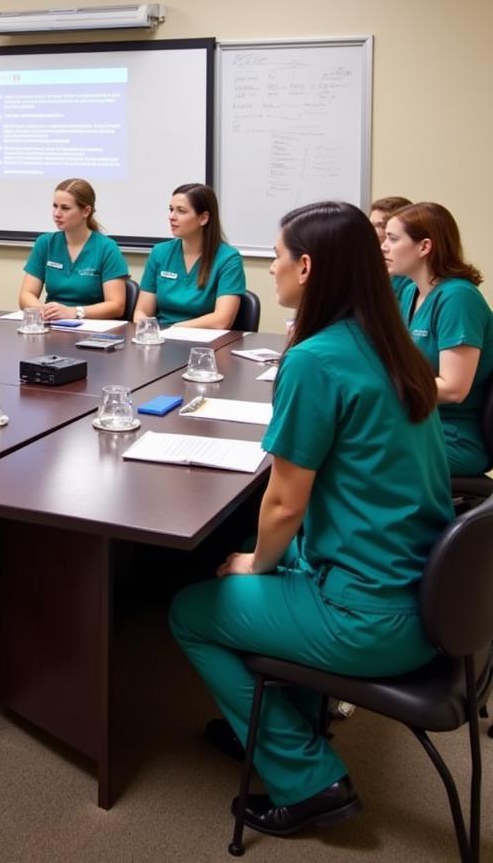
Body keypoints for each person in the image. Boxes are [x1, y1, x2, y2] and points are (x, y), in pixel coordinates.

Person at [170, 201, 452, 839]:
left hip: (370, 617)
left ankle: (307, 779)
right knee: (252, 551)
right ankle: (283, 722)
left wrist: (255, 565)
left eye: (275, 257)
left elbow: (286, 502)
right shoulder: (389, 341)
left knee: (192, 610)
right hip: (423, 591)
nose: (269, 271)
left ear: (307, 266)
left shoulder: (315, 358)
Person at [383, 201, 493, 476]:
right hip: (418, 423)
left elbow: (455, 388)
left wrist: (384, 388)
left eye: (393, 239)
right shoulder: (411, 292)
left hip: (453, 437)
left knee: (350, 453)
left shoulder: (458, 299)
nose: (384, 246)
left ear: (424, 247)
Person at [134, 183, 245, 329]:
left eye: (181, 211)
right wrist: (149, 329)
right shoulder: (160, 252)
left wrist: (173, 330)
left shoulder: (228, 259)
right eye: (171, 209)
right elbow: (141, 311)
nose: (171, 217)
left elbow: (221, 320)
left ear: (203, 218)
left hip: (203, 346)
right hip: (159, 338)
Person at [18, 179, 128, 321]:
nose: (57, 213)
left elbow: (116, 306)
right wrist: (42, 310)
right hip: (51, 325)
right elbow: (26, 294)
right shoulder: (45, 243)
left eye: (65, 208)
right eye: (55, 206)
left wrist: (74, 312)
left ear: (86, 211)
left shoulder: (107, 248)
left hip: (90, 328)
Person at [370, 195, 413, 299]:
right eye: (371, 224)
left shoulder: (410, 273)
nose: (371, 231)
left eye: (381, 225)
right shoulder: (371, 263)